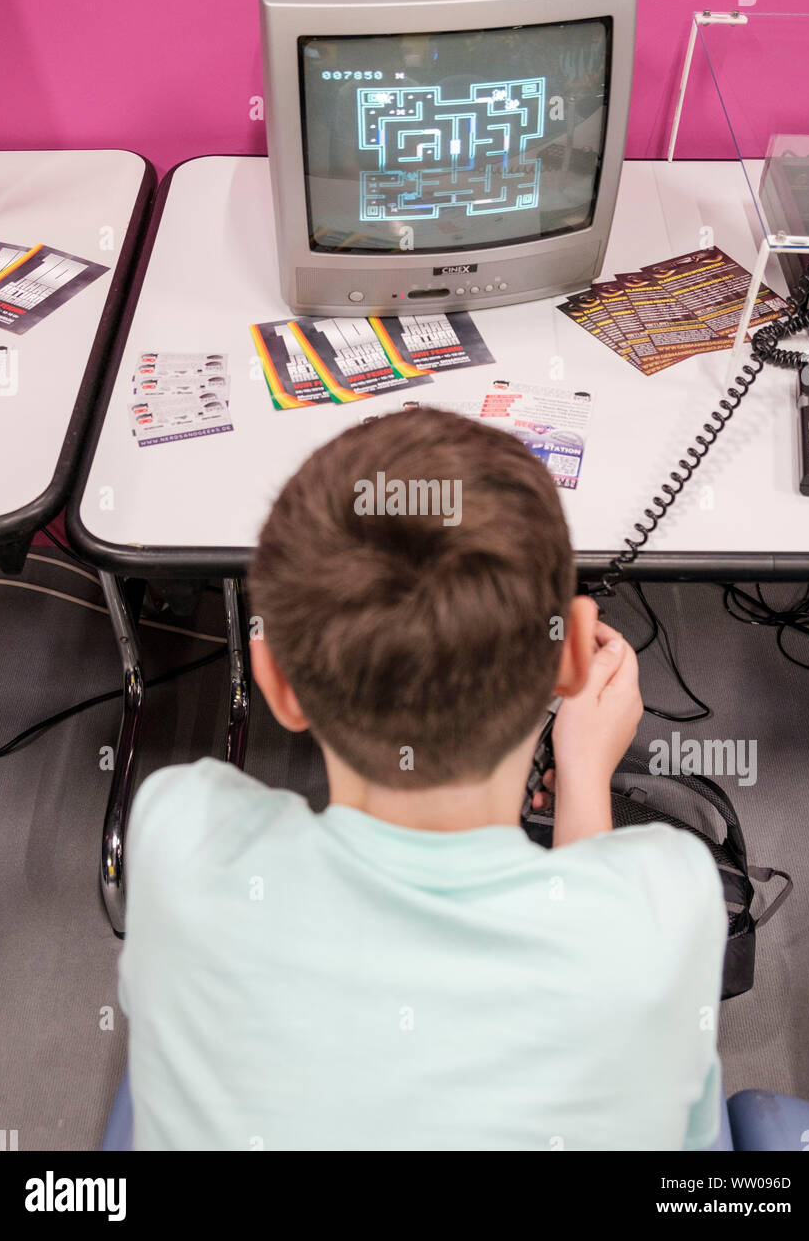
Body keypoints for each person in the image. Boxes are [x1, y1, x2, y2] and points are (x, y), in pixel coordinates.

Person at [119, 407, 727, 1150]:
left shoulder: (181, 839)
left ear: (278, 685)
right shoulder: (671, 903)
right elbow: (605, 934)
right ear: (568, 659)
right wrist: (584, 776)